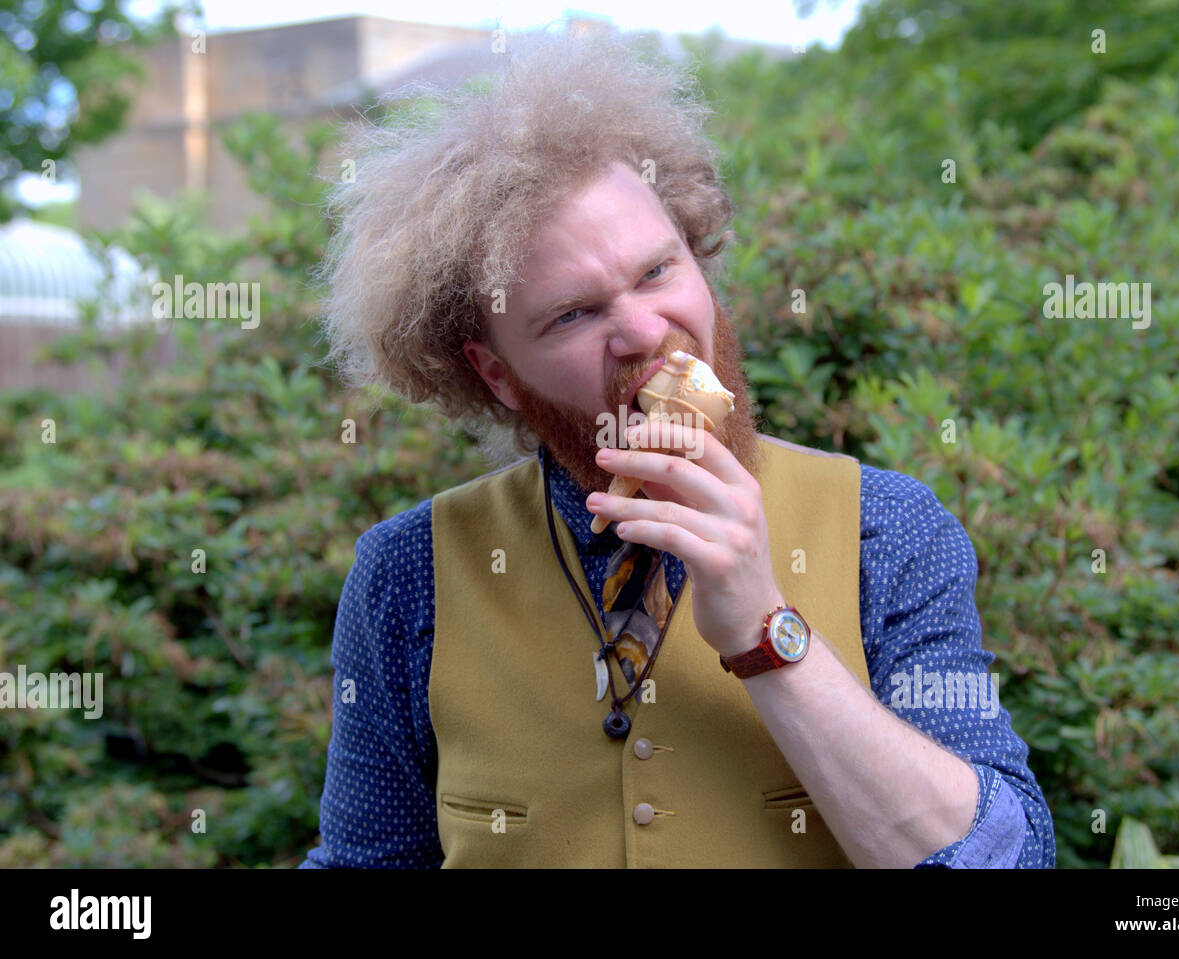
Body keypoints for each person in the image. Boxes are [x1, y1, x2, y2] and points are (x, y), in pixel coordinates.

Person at [300, 29, 1054, 868]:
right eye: (573, 315)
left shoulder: (890, 529)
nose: (644, 332)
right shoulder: (408, 576)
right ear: (497, 374)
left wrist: (768, 632)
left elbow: (1008, 857)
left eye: (657, 272)